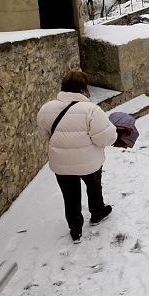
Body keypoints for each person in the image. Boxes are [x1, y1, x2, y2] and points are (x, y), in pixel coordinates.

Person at [37, 70, 118, 243]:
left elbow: (46, 134)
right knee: (94, 186)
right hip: (89, 161)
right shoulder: (91, 110)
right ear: (83, 88)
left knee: (70, 195)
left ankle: (75, 229)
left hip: (61, 162)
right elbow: (104, 138)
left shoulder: (46, 109)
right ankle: (97, 213)